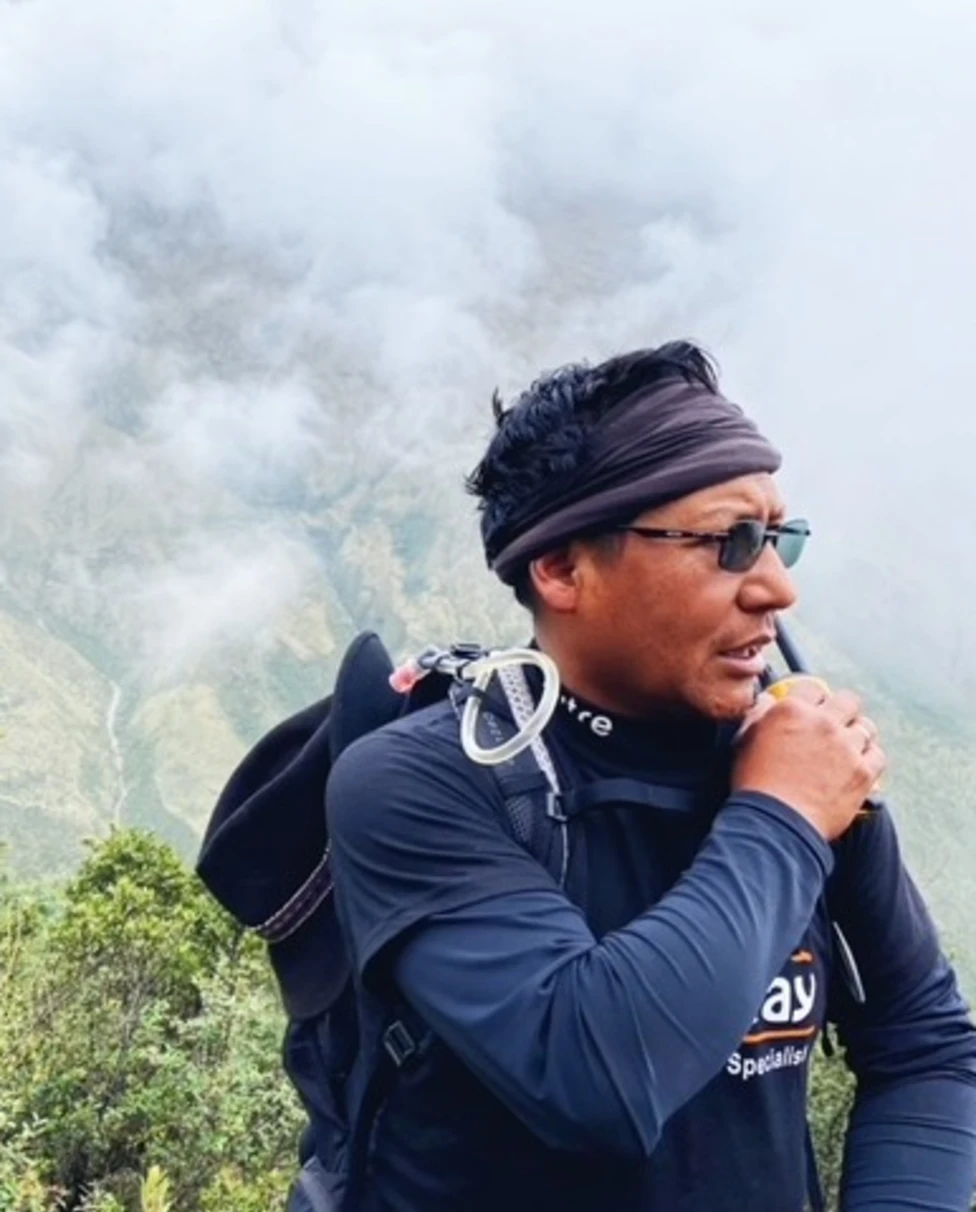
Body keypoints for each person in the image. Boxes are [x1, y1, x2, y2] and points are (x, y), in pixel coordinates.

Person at [324, 341, 976, 1211]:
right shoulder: (426, 780)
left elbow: (925, 1047)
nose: (777, 588)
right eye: (731, 542)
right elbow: (592, 1081)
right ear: (560, 569)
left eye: (780, 538)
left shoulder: (802, 763)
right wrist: (780, 813)